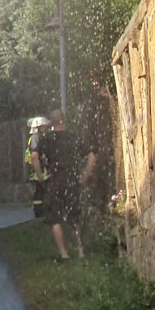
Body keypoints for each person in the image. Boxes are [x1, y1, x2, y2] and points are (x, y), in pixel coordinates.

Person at [31, 108, 96, 261]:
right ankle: (80, 251)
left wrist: (40, 176)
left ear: (51, 123)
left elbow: (34, 157)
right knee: (74, 216)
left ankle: (64, 254)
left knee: (55, 218)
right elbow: (92, 157)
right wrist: (84, 176)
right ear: (64, 121)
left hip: (54, 181)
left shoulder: (46, 138)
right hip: (72, 181)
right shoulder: (74, 137)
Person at [24, 116, 51, 217]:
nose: (46, 128)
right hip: (39, 172)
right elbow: (35, 156)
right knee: (40, 194)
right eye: (44, 126)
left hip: (38, 171)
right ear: (39, 127)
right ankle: (40, 214)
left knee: (40, 194)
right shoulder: (36, 137)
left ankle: (42, 213)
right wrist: (40, 175)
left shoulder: (36, 137)